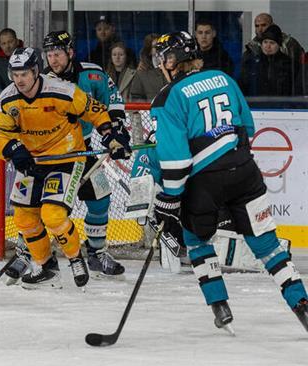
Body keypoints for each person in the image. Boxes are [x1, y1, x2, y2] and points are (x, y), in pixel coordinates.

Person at [149, 31, 308, 333]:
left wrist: (169, 198)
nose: (162, 64)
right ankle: (302, 305)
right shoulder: (223, 78)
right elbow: (246, 126)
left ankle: (219, 306)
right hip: (245, 171)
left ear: (179, 59)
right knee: (268, 246)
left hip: (204, 184)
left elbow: (176, 162)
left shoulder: (167, 97)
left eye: (166, 57)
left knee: (196, 240)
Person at [0, 47, 131, 289]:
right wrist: (12, 148)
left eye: (24, 73)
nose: (19, 80)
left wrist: (110, 136)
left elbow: (94, 110)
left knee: (53, 215)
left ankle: (77, 258)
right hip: (33, 163)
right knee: (24, 219)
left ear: (35, 71)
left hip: (67, 158)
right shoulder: (7, 99)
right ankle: (47, 267)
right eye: (15, 74)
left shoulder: (62, 91)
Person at [41, 30, 128, 278]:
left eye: (57, 53)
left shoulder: (92, 73)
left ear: (70, 52)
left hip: (87, 149)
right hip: (55, 155)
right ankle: (37, 255)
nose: (53, 60)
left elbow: (112, 101)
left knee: (101, 199)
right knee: (49, 207)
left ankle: (96, 253)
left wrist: (117, 133)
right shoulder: (41, 81)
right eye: (49, 54)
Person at [240, 25, 302, 97]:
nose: (268, 46)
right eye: (265, 42)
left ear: (279, 45)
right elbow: (243, 85)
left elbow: (297, 89)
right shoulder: (252, 62)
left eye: (272, 43)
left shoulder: (289, 64)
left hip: (282, 106)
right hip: (256, 106)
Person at [129, 33, 167, 101]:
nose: (159, 49)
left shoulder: (173, 68)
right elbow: (136, 97)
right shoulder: (141, 72)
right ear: (149, 50)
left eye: (161, 46)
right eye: (155, 46)